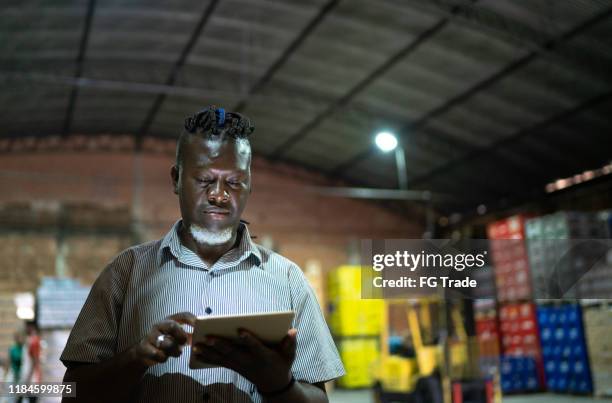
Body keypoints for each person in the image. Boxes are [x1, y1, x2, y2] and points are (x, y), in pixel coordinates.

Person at [60, 106, 345, 402]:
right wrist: (136, 358)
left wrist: (277, 382)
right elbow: (71, 393)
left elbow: (318, 398)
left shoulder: (287, 279)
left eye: (234, 182)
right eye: (205, 180)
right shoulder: (126, 273)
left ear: (249, 185)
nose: (219, 195)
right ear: (176, 179)